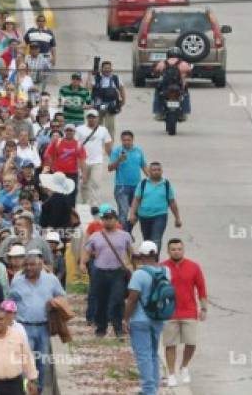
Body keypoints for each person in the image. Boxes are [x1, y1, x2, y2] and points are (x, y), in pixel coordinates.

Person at [7, 250, 65, 390]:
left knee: (42, 362)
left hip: (43, 327)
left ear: (41, 266)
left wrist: (54, 303)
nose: (29, 268)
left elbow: (62, 297)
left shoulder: (51, 279)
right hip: (23, 326)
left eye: (32, 265)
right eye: (26, 264)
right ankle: (25, 390)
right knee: (24, 361)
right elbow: (10, 301)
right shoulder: (17, 279)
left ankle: (38, 390)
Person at [123, 241, 171, 395]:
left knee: (143, 355)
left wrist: (126, 319)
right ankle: (153, 387)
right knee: (153, 354)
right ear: (156, 254)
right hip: (158, 318)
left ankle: (148, 390)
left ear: (141, 256)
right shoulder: (166, 271)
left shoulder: (139, 274)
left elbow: (132, 299)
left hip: (140, 319)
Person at [79, 204, 132, 339]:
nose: (108, 221)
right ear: (102, 220)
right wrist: (83, 263)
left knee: (117, 300)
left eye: (110, 218)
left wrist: (132, 266)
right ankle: (101, 329)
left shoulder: (125, 235)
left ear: (116, 219)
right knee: (101, 301)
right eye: (105, 218)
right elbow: (87, 251)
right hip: (100, 272)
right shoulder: (96, 236)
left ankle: (118, 329)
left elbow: (131, 253)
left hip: (117, 273)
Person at [161, 238, 208, 387]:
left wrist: (204, 308)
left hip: (189, 311)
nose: (176, 251)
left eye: (179, 249)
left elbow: (201, 288)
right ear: (168, 251)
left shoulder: (194, 267)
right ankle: (171, 374)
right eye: (173, 249)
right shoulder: (162, 268)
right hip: (169, 313)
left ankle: (184, 366)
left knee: (191, 342)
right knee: (170, 344)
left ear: (183, 250)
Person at [128, 162, 182, 249]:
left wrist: (177, 218)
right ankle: (148, 259)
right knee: (147, 241)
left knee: (156, 239)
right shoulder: (143, 184)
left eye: (158, 170)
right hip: (144, 216)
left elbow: (172, 202)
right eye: (154, 170)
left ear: (162, 171)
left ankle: (155, 260)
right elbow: (136, 200)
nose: (156, 172)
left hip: (160, 216)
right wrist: (132, 214)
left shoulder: (166, 184)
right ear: (149, 171)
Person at [107, 130, 148, 232]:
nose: (126, 142)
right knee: (123, 212)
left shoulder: (138, 151)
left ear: (132, 140)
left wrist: (151, 179)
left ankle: (127, 229)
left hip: (137, 187)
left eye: (128, 140)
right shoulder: (117, 151)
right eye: (124, 140)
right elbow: (110, 168)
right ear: (121, 140)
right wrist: (119, 160)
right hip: (122, 187)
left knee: (139, 211)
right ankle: (123, 234)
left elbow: (143, 166)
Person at [74, 110, 113, 214]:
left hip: (97, 161)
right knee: (84, 183)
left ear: (97, 118)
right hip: (84, 161)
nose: (92, 119)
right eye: (90, 117)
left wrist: (112, 158)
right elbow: (75, 145)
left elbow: (108, 144)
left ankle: (94, 204)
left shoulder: (103, 130)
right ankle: (85, 202)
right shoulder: (79, 130)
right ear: (87, 118)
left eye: (94, 117)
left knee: (96, 182)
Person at [152, 47, 192, 119]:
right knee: (185, 95)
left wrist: (155, 74)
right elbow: (190, 72)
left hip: (165, 86)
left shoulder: (163, 63)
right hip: (180, 86)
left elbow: (155, 72)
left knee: (157, 94)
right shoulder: (184, 64)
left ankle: (158, 112)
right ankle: (184, 112)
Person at [89, 61, 125, 139]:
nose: (107, 70)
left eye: (109, 68)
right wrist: (91, 75)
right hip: (99, 106)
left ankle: (109, 145)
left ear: (111, 69)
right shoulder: (97, 78)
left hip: (111, 107)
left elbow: (122, 90)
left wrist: (122, 102)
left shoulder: (116, 78)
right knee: (97, 126)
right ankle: (97, 142)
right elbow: (89, 88)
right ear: (101, 69)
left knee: (110, 127)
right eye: (105, 68)